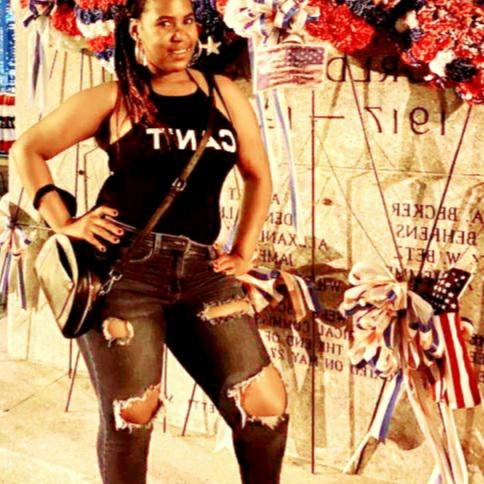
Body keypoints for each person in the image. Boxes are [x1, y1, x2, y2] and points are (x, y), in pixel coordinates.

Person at [11, 0, 289, 482]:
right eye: (164, 23)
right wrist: (64, 221)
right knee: (133, 415)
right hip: (125, 272)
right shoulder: (117, 97)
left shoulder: (222, 93)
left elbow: (258, 174)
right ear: (136, 31)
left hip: (203, 272)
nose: (180, 34)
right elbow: (28, 148)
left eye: (188, 21)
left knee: (265, 406)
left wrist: (244, 251)